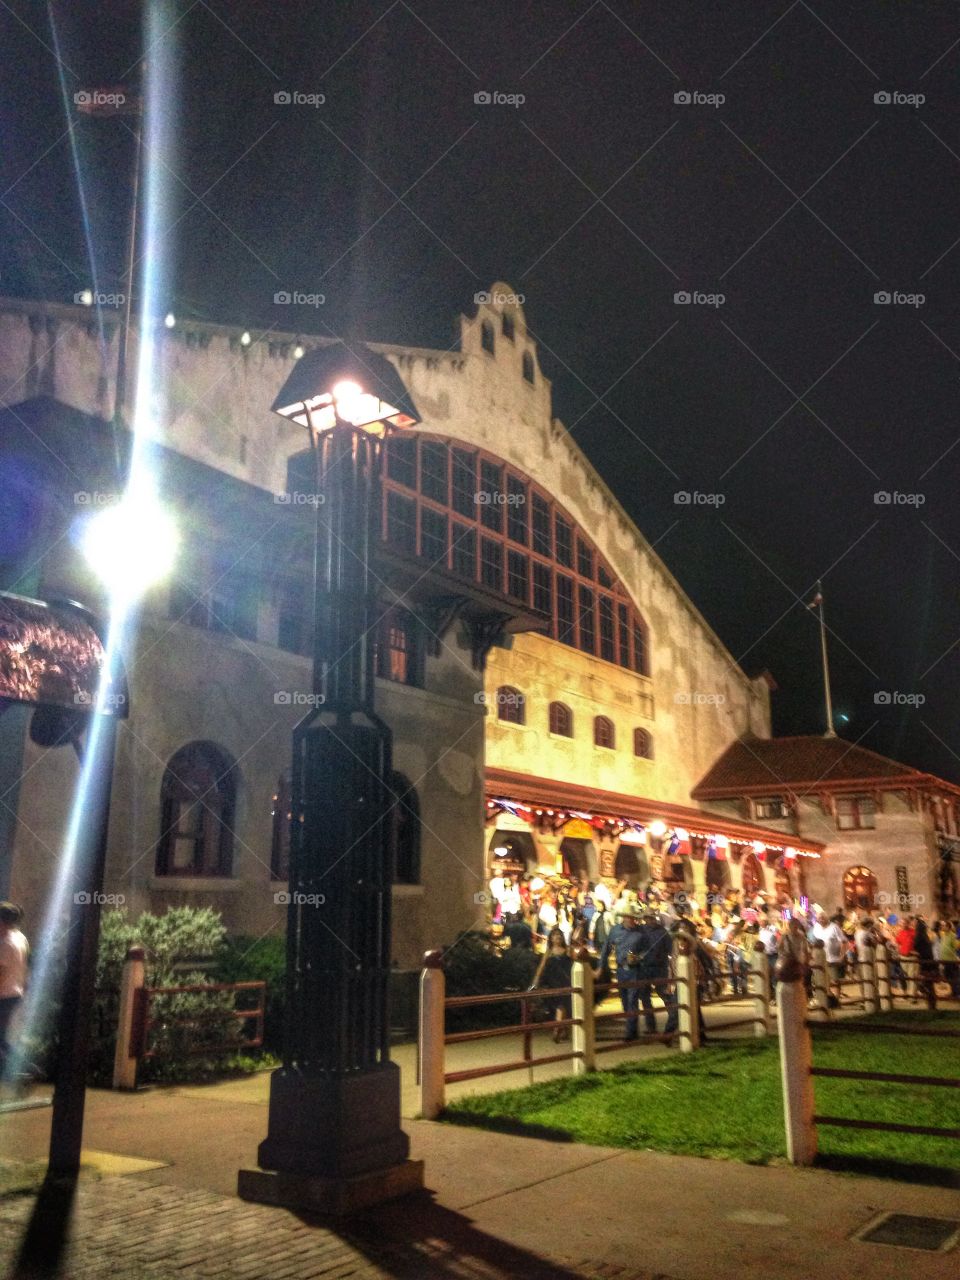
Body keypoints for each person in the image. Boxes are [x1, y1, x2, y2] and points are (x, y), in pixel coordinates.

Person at [597, 899, 645, 1040]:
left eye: (632, 917)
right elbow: (606, 949)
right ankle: (633, 1028)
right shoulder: (615, 931)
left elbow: (646, 950)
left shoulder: (640, 933)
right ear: (623, 917)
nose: (630, 920)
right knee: (625, 1000)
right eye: (628, 917)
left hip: (634, 970)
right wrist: (600, 966)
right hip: (620, 971)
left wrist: (639, 958)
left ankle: (630, 1033)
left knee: (632, 1000)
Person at [635, 908, 678, 1038]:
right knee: (645, 998)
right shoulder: (640, 931)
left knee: (664, 995)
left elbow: (670, 951)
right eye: (648, 918)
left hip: (660, 968)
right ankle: (651, 1027)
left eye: (652, 918)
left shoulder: (663, 932)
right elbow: (634, 947)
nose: (650, 920)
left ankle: (673, 1022)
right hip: (644, 968)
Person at [0, 902, 29, 1081]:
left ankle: (25, 1067)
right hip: (15, 993)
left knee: (2, 1038)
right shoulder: (20, 938)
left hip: (4, 995)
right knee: (2, 1036)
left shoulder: (6, 944)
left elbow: (1, 973)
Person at [532, 928, 573, 1042]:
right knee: (559, 1006)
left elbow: (574, 963)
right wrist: (536, 980)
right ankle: (563, 1028)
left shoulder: (567, 950)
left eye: (559, 935)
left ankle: (557, 1029)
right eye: (555, 935)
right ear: (551, 938)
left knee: (562, 1005)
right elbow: (541, 966)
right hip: (553, 982)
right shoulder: (549, 952)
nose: (557, 937)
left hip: (565, 982)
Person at [912, 917, 938, 1010]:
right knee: (928, 984)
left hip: (925, 963)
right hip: (928, 962)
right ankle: (931, 1004)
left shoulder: (919, 937)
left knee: (926, 983)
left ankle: (931, 1004)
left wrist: (913, 952)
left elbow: (916, 947)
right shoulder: (925, 936)